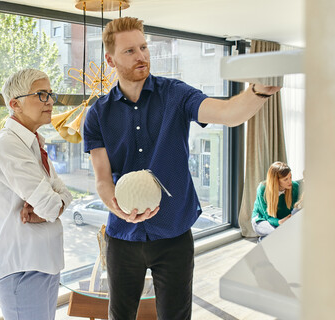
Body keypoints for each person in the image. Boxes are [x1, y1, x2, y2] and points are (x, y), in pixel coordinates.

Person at [83, 17, 281, 320]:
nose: (142, 56)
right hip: (122, 236)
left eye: (144, 47)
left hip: (174, 234)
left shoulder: (175, 94)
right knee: (119, 316)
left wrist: (258, 91)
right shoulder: (97, 114)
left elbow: (228, 114)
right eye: (130, 51)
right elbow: (101, 178)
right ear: (110, 59)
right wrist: (119, 209)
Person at [0, 69, 72, 320]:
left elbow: (62, 195)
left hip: (43, 265)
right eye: (41, 94)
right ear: (15, 104)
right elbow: (50, 205)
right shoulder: (7, 144)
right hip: (23, 270)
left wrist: (55, 204)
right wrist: (52, 206)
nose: (51, 101)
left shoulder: (34, 143)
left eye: (50, 94)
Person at [252, 162, 300, 240]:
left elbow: (293, 210)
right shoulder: (263, 189)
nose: (290, 181)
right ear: (276, 181)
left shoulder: (294, 187)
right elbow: (267, 217)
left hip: (282, 222)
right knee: (279, 233)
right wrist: (280, 222)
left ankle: (264, 240)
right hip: (261, 220)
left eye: (290, 177)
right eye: (285, 179)